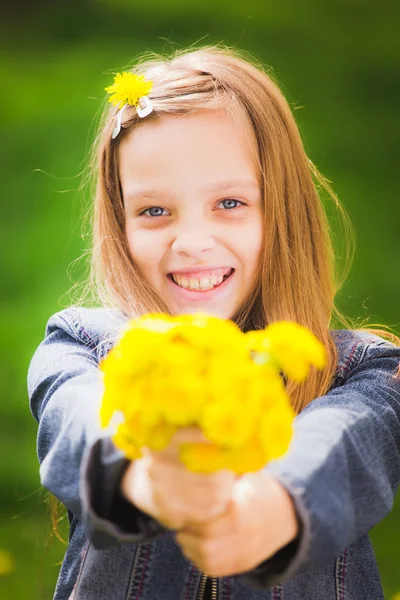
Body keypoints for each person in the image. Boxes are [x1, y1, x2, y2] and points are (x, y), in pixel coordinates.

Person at [28, 45, 400, 600]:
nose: (193, 242)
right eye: (155, 211)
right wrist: (147, 479)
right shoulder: (82, 345)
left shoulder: (365, 373)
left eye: (229, 202)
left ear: (283, 211)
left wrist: (267, 510)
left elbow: (346, 450)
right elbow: (79, 421)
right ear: (120, 222)